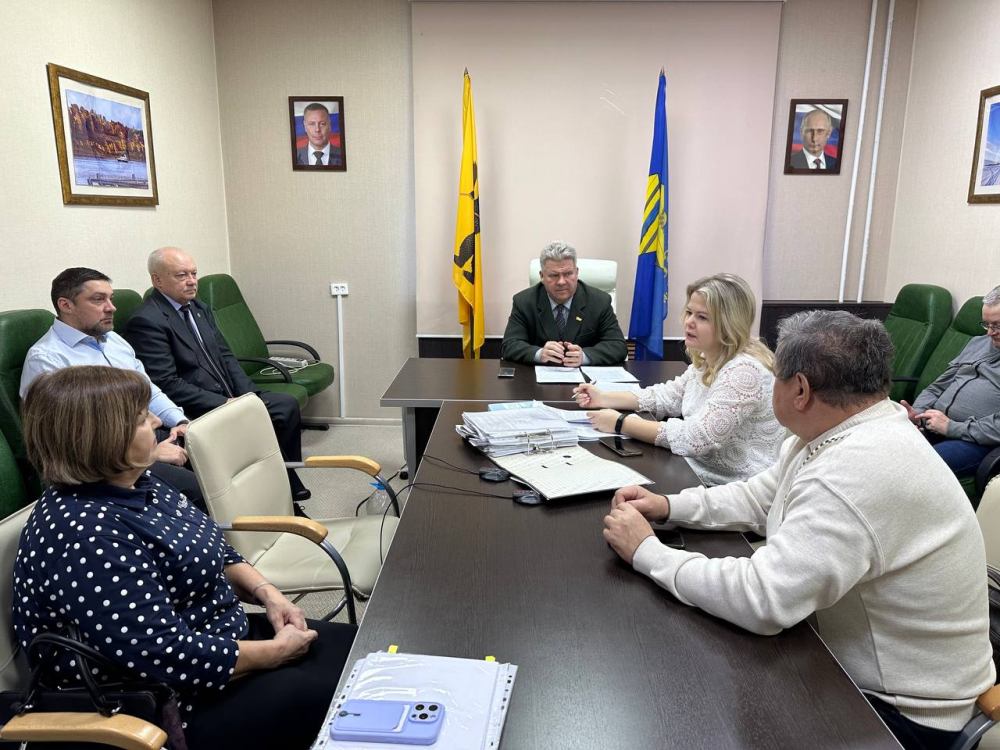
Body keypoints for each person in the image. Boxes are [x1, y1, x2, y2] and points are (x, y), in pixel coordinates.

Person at [603, 310, 994, 750]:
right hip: (850, 661)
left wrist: (646, 552)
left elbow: (762, 600)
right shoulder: (842, 430)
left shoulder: (856, 469)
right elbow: (760, 498)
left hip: (900, 714)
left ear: (801, 390)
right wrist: (668, 506)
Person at [14, 366, 356, 749]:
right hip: (175, 701)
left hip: (221, 642)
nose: (157, 421)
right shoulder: (85, 534)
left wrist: (268, 593)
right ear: (102, 438)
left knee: (362, 652)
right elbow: (164, 654)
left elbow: (218, 551)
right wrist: (275, 654)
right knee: (353, 702)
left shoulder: (140, 481)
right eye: (141, 418)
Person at [124, 247, 311, 501]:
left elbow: (225, 356)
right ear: (157, 280)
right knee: (255, 420)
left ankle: (286, 475)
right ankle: (284, 486)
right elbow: (167, 383)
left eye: (194, 273)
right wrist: (224, 402)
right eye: (181, 275)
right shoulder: (148, 320)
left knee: (284, 406)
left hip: (229, 395)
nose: (192, 281)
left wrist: (249, 396)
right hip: (198, 404)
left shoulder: (198, 308)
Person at [19, 267, 203, 507]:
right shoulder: (47, 358)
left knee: (217, 459)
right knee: (199, 490)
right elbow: (71, 438)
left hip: (143, 433)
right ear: (66, 305)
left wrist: (181, 422)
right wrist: (148, 455)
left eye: (111, 298)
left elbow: (147, 389)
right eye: (98, 299)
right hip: (105, 461)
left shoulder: (113, 340)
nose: (111, 307)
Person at [575, 273, 782, 486]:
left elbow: (697, 438)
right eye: (689, 312)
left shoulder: (744, 370)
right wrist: (604, 398)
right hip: (697, 472)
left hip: (737, 489)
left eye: (702, 317)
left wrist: (621, 423)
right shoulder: (709, 357)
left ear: (729, 323)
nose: (689, 322)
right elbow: (666, 397)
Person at [901, 284, 1000, 480]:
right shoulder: (977, 343)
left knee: (917, 467)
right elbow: (938, 385)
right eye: (987, 324)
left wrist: (951, 427)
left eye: (997, 325)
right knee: (883, 445)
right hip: (935, 425)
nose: (990, 333)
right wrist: (918, 413)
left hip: (978, 441)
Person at [500, 241, 627, 366]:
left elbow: (618, 346)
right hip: (538, 376)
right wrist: (539, 354)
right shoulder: (524, 302)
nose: (561, 282)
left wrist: (584, 356)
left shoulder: (599, 301)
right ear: (542, 276)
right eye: (554, 275)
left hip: (584, 377)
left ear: (576, 273)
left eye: (568, 274)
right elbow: (510, 345)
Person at [295, 102, 343, 167]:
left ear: (329, 125)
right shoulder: (295, 156)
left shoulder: (343, 155)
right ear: (305, 126)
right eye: (312, 124)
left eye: (322, 124)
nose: (317, 129)